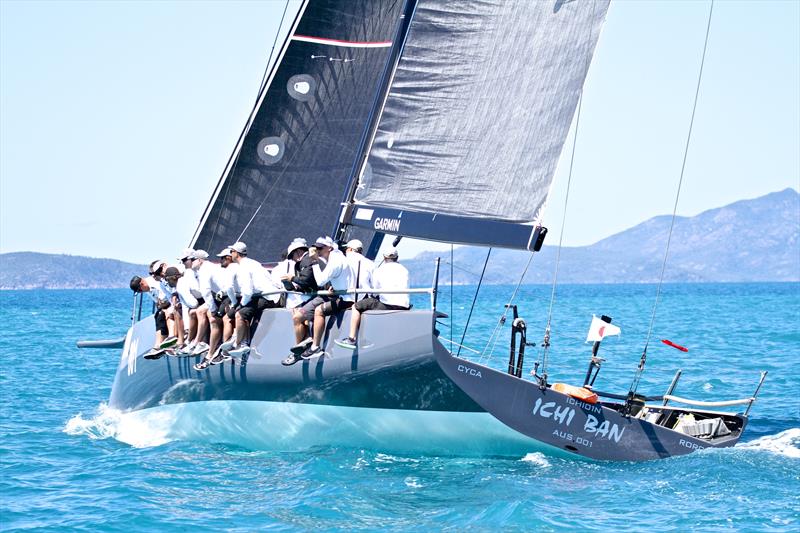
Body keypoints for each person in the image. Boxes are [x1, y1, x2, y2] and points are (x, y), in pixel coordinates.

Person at [285, 236, 356, 364]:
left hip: (344, 298)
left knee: (319, 311)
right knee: (298, 317)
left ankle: (315, 347)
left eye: (320, 248)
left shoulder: (334, 260)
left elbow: (320, 280)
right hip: (337, 295)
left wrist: (314, 261)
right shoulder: (335, 256)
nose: (317, 250)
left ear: (329, 248)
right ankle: (304, 345)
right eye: (316, 247)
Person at [336, 248, 410, 349]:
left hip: (387, 305)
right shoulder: (405, 270)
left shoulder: (380, 270)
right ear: (397, 257)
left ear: (384, 258)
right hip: (404, 306)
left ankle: (351, 338)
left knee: (356, 307)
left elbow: (374, 291)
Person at [221, 241, 282, 359]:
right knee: (243, 310)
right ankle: (240, 340)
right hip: (270, 295)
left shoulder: (243, 267)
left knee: (239, 314)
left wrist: (240, 305)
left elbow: (248, 291)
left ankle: (238, 344)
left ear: (237, 253)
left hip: (267, 298)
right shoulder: (253, 263)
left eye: (232, 251)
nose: (230, 254)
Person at [194, 247, 237, 370]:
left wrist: (213, 309)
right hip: (226, 297)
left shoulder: (206, 270)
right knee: (213, 318)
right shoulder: (223, 269)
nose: (220, 260)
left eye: (222, 258)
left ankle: (220, 351)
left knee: (219, 318)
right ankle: (211, 350)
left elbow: (206, 290)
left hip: (234, 298)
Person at [272, 238, 308, 309]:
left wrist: (293, 280)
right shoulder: (282, 267)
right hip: (292, 302)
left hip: (302, 301)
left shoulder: (308, 263)